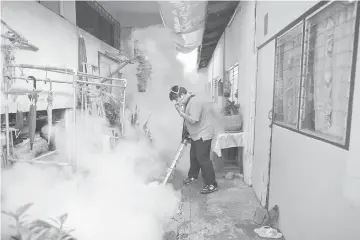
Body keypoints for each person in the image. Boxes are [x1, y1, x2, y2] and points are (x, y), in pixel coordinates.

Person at [169, 85, 218, 194]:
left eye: (177, 99)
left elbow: (193, 120)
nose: (177, 102)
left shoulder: (194, 102)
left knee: (203, 159)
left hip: (203, 133)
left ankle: (211, 184)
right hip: (197, 133)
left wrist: (181, 113)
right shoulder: (189, 100)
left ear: (182, 95)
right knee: (194, 155)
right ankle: (193, 176)